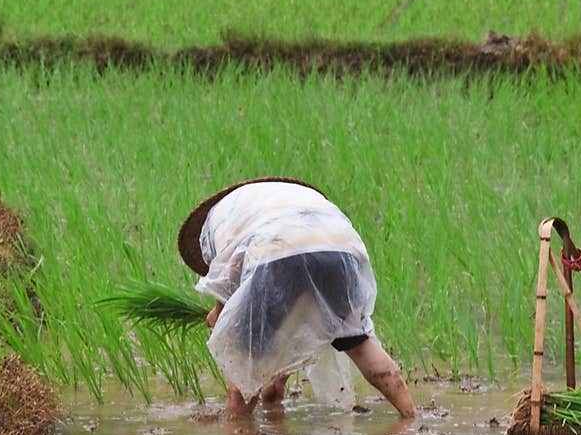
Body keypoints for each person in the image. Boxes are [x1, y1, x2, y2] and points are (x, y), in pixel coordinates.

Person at [177, 176, 417, 419]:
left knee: (246, 364)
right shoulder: (287, 201)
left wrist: (220, 310)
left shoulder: (218, 219)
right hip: (339, 251)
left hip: (275, 253)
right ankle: (410, 419)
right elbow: (292, 307)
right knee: (360, 345)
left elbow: (227, 274)